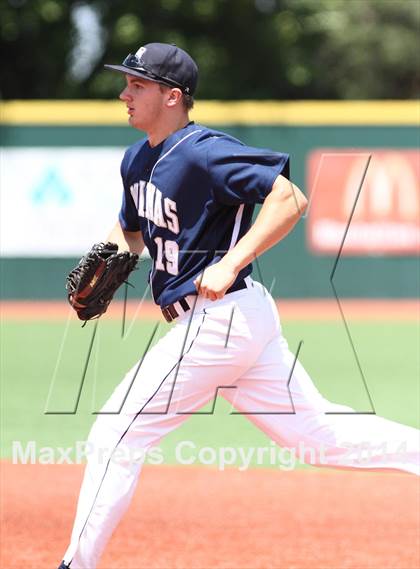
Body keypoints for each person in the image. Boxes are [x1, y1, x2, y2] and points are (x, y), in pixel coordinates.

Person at [58, 43, 419, 569]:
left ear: (173, 96)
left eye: (137, 85)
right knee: (317, 437)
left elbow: (290, 198)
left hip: (221, 317)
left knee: (115, 432)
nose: (124, 94)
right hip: (232, 323)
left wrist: (232, 260)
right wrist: (105, 262)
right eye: (127, 83)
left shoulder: (205, 151)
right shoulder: (137, 160)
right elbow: (130, 231)